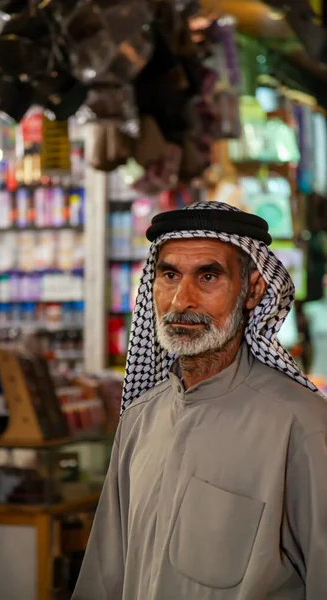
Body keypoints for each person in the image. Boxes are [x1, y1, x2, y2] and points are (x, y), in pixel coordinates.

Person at [73, 201, 327, 600]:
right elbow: (105, 576)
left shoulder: (301, 423)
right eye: (169, 275)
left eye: (208, 276)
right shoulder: (140, 418)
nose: (181, 301)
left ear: (253, 289)